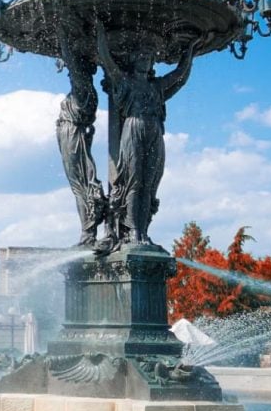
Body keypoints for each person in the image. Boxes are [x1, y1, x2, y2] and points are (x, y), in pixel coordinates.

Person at [96, 23, 198, 246]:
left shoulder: (157, 86)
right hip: (133, 128)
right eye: (141, 56)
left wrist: (190, 50)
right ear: (133, 59)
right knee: (134, 182)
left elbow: (181, 75)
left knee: (149, 185)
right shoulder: (125, 81)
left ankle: (143, 231)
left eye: (149, 57)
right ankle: (132, 231)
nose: (145, 59)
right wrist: (101, 35)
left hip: (154, 131)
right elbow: (107, 62)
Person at [55, 27, 106, 247]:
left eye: (73, 70)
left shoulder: (84, 87)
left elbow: (70, 60)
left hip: (72, 136)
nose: (70, 73)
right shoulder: (87, 92)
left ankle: (88, 234)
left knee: (80, 187)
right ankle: (89, 231)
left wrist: (62, 34)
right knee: (81, 186)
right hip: (73, 136)